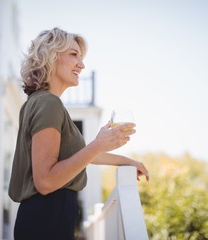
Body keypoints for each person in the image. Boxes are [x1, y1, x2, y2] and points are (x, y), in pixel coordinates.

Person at [8, 28, 149, 240]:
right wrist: (98, 145)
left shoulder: (39, 102)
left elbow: (80, 156)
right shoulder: (49, 104)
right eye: (74, 54)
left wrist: (127, 161)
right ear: (51, 56)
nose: (81, 65)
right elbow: (45, 181)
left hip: (43, 219)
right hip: (48, 219)